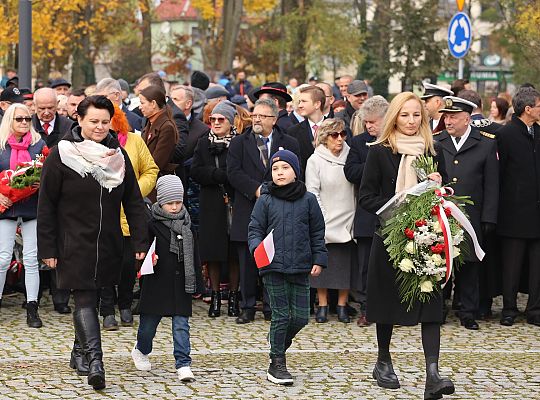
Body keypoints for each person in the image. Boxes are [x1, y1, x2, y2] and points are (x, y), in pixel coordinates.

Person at [37, 95, 148, 390]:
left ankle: (79, 352)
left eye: (104, 121)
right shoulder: (61, 154)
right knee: (85, 297)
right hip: (72, 241)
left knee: (94, 296)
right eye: (93, 121)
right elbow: (46, 204)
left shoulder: (119, 155)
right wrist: (47, 247)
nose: (100, 127)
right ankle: (96, 363)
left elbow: (134, 201)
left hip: (108, 241)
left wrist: (140, 238)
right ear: (80, 120)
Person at [358, 92, 453, 399]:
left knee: (431, 305)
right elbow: (366, 198)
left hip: (427, 239)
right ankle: (383, 361)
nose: (411, 121)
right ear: (394, 118)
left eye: (416, 115)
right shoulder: (379, 152)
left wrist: (439, 186)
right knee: (386, 305)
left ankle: (433, 374)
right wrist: (400, 205)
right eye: (405, 115)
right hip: (390, 239)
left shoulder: (432, 150)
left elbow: (447, 191)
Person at [248, 149, 327, 385]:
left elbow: (317, 232)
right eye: (275, 169)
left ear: (296, 171)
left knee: (301, 317)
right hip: (273, 266)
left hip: (301, 266)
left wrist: (318, 259)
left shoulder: (309, 199)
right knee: (281, 315)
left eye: (285, 168)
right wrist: (257, 249)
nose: (280, 173)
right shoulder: (265, 199)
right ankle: (277, 363)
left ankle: (277, 342)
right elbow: (255, 230)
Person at [227, 98, 300, 323]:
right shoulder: (240, 142)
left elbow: (297, 172)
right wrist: (256, 189)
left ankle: (271, 306)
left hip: (279, 208)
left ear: (274, 119)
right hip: (248, 207)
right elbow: (233, 172)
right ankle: (247, 306)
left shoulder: (289, 142)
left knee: (275, 260)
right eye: (254, 115)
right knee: (248, 260)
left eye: (262, 116)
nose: (256, 119)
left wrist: (276, 191)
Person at [434, 96, 499, 331]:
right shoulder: (437, 141)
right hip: (441, 213)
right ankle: (437, 309)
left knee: (469, 265)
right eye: (446, 116)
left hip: (471, 215)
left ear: (467, 119)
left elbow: (492, 184)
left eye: (453, 117)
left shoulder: (485, 143)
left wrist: (489, 217)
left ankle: (468, 312)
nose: (448, 121)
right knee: (439, 261)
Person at [99, 103, 158, 330]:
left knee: (127, 263)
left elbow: (150, 169)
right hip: (104, 213)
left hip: (129, 214)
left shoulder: (134, 141)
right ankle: (106, 309)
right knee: (105, 263)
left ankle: (124, 304)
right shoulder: (93, 146)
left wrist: (136, 190)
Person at [131, 175, 196, 383]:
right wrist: (148, 260)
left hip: (181, 282)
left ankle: (183, 363)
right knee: (149, 325)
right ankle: (141, 349)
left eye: (178, 202)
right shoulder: (151, 224)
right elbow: (141, 250)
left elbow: (195, 253)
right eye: (170, 203)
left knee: (181, 324)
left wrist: (196, 282)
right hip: (157, 281)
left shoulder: (187, 224)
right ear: (160, 201)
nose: (175, 207)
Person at [191, 101, 240, 317]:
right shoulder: (203, 143)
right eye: (213, 119)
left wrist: (228, 176)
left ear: (231, 122)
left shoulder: (239, 143)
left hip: (234, 201)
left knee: (233, 251)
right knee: (213, 251)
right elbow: (195, 170)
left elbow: (241, 170)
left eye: (221, 119)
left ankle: (234, 297)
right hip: (211, 201)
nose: (217, 123)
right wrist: (215, 175)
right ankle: (215, 298)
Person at [496, 87, 540, 327]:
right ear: (528, 109)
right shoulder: (506, 135)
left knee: (537, 267)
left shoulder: (539, 132)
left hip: (537, 211)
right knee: (511, 266)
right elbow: (499, 175)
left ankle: (534, 309)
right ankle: (509, 309)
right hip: (513, 213)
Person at [305, 118, 356, 324]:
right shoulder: (315, 160)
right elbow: (312, 191)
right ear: (325, 138)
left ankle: (342, 305)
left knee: (345, 263)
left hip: (348, 215)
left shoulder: (351, 156)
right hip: (325, 216)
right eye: (335, 135)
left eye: (343, 134)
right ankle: (323, 304)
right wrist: (321, 217)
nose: (340, 139)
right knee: (322, 264)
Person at [0, 103, 47, 327]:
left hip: (31, 207)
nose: (24, 123)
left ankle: (32, 306)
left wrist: (41, 183)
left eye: (28, 119)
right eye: (19, 119)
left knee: (30, 259)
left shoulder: (39, 145)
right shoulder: (0, 145)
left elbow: (49, 174)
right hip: (5, 208)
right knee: (2, 259)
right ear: (10, 119)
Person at [344, 95, 389, 326]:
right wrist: (374, 166)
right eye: (366, 122)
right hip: (367, 213)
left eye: (373, 122)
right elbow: (350, 171)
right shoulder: (358, 142)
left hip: (393, 211)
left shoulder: (396, 140)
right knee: (366, 266)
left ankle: (392, 309)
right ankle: (366, 308)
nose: (368, 126)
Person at [139, 86, 178, 202]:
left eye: (142, 103)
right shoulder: (150, 123)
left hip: (157, 186)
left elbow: (157, 163)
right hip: (147, 182)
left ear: (153, 104)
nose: (140, 107)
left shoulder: (166, 127)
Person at [286, 86, 326, 177]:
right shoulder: (293, 132)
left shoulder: (337, 129)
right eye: (299, 102)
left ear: (317, 104)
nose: (299, 105)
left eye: (304, 101)